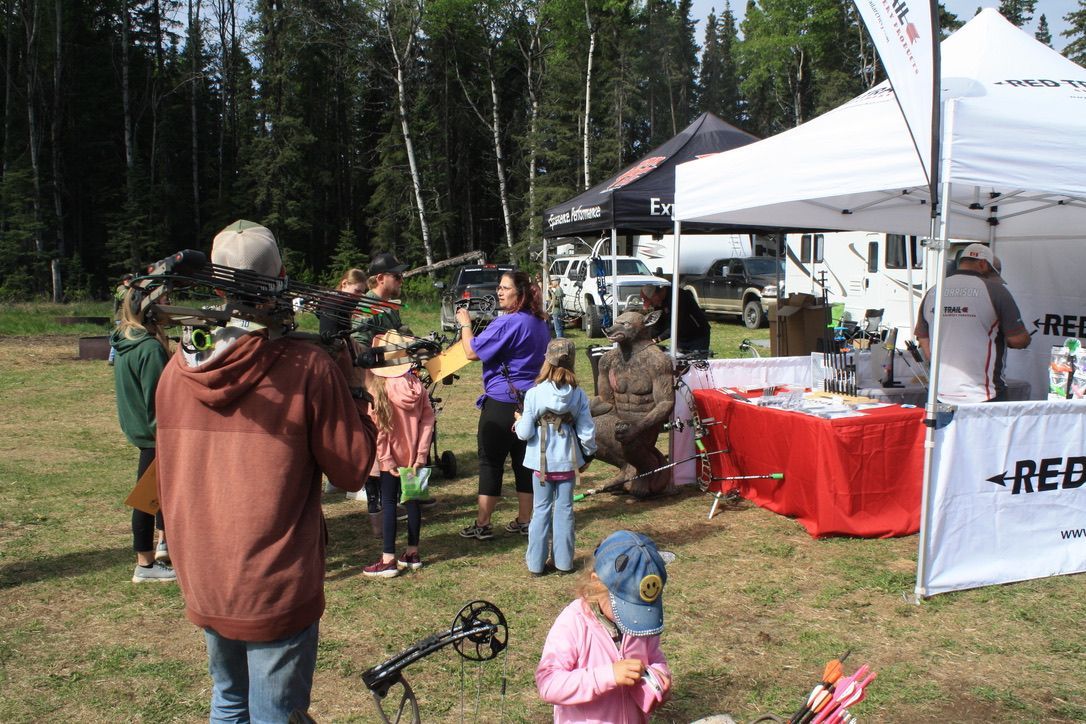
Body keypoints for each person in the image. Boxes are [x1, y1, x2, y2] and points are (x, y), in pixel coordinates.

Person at [155, 220, 376, 721]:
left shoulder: (176, 370)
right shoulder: (307, 368)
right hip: (273, 580)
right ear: (279, 277)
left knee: (229, 701)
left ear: (214, 286)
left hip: (205, 572)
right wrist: (354, 385)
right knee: (275, 712)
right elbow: (353, 469)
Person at [536, 530, 672, 722]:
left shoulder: (641, 623)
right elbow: (548, 683)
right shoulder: (574, 622)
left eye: (639, 611)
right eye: (627, 608)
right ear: (597, 583)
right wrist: (607, 676)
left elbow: (654, 655)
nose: (632, 620)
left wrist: (659, 676)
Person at [456, 270, 550, 540]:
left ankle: (483, 524)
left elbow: (472, 351)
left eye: (505, 288)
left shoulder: (508, 323)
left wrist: (465, 323)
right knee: (524, 462)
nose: (499, 292)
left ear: (519, 294)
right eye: (498, 287)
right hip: (530, 402)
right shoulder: (540, 322)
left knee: (490, 462)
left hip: (502, 403)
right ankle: (524, 520)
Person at [515, 339, 596, 576]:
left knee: (540, 510)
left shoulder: (534, 394)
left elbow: (525, 433)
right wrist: (589, 453)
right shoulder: (578, 395)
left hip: (541, 463)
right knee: (565, 510)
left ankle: (536, 564)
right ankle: (563, 562)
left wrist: (519, 421)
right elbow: (587, 430)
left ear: (546, 360)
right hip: (567, 461)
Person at [110, 285, 175, 583]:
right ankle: (145, 565)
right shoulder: (148, 348)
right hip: (155, 433)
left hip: (143, 430)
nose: (169, 306)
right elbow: (162, 398)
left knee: (158, 494)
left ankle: (164, 547)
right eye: (163, 302)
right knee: (147, 498)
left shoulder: (127, 340)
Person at [914, 242, 1031, 403]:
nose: (993, 279)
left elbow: (923, 337)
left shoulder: (934, 290)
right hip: (983, 395)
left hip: (940, 393)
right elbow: (1018, 340)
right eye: (992, 274)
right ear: (983, 264)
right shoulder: (996, 291)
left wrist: (937, 366)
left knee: (941, 429)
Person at [362, 331, 436, 578]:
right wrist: (420, 455)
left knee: (390, 503)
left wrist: (386, 459)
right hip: (415, 457)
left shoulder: (379, 388)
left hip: (390, 460)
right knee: (413, 502)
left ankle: (388, 559)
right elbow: (428, 421)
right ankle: (412, 553)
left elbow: (379, 430)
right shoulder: (417, 385)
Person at [640, 283, 711, 354]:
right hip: (681, 337)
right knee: (680, 362)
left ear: (655, 295)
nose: (651, 305)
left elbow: (677, 324)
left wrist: (658, 339)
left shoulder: (678, 297)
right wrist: (647, 338)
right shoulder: (659, 303)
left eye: (651, 302)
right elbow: (659, 325)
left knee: (696, 362)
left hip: (698, 336)